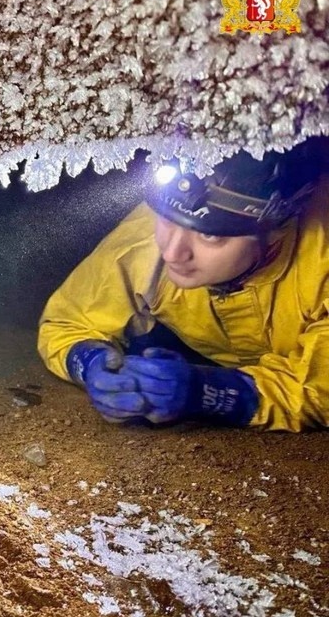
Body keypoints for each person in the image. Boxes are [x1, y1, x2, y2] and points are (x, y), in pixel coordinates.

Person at [37, 139, 328, 431]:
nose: (172, 252)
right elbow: (66, 323)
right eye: (166, 218)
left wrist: (211, 392)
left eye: (211, 236)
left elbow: (322, 390)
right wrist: (90, 362)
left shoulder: (321, 261)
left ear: (278, 230)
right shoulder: (143, 242)